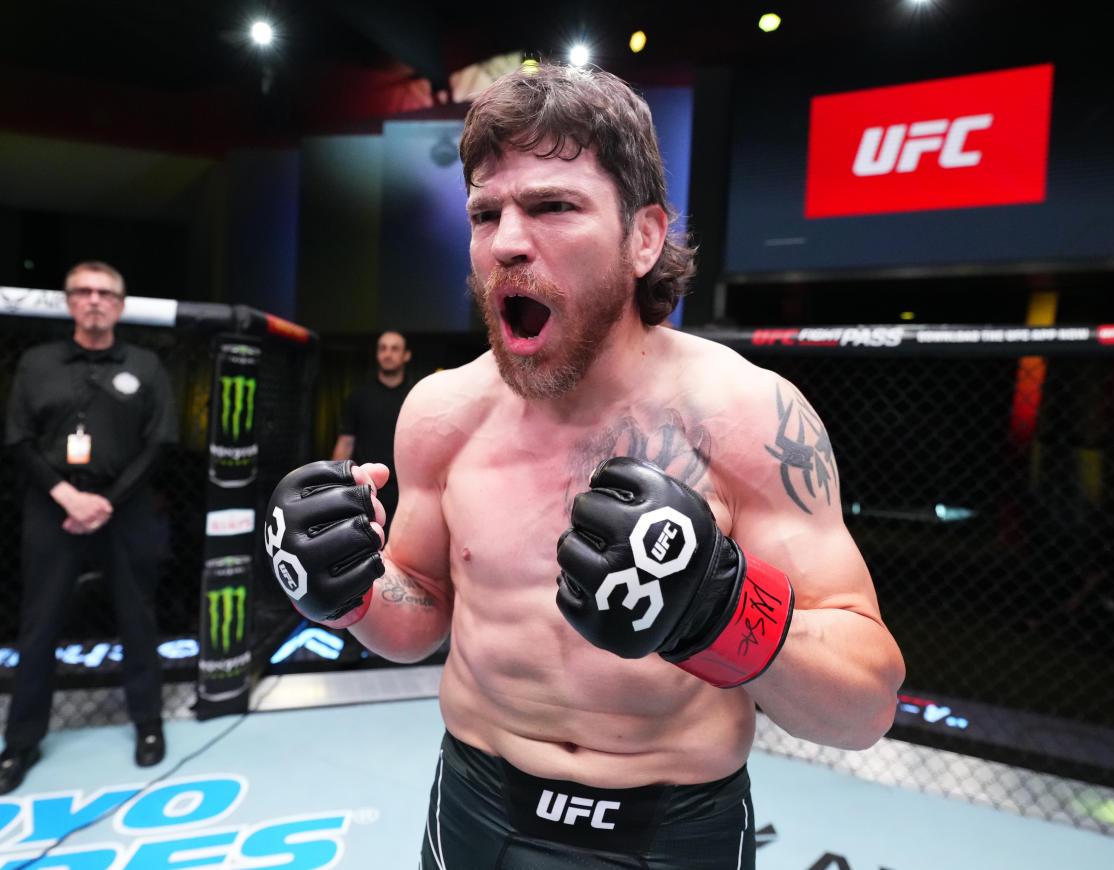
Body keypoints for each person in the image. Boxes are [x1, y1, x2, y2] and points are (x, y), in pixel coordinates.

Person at [264, 63, 904, 868]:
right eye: (485, 213)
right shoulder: (441, 414)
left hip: (673, 829)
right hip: (475, 806)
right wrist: (349, 589)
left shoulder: (746, 416)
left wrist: (720, 610)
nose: (506, 243)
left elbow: (863, 709)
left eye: (553, 206)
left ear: (643, 237)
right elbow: (418, 612)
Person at [0, 261, 177, 794]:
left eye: (105, 293)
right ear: (70, 301)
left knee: (137, 618)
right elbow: (18, 438)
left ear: (119, 306)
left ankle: (148, 723)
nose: (95, 300)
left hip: (125, 512)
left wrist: (104, 502)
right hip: (51, 508)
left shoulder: (145, 365)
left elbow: (160, 442)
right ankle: (21, 743)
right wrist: (67, 496)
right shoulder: (36, 364)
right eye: (84, 291)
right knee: (40, 624)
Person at [330, 330, 413, 536]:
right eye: (383, 348)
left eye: (395, 349)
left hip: (407, 493)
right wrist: (333, 487)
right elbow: (345, 443)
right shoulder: (358, 397)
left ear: (406, 355)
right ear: (377, 354)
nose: (388, 353)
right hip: (366, 489)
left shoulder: (415, 396)